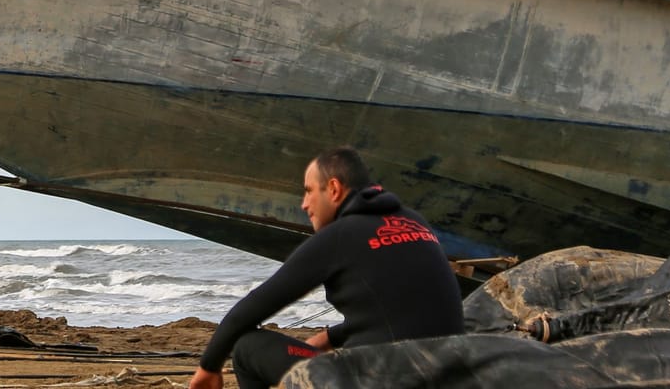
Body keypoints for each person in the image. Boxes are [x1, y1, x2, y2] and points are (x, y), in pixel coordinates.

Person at [189, 147, 464, 389]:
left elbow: (250, 310)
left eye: (309, 191)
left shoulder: (341, 235)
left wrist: (208, 368)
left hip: (380, 379)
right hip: (444, 375)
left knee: (246, 347)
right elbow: (404, 310)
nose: (304, 204)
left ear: (333, 189)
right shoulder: (415, 223)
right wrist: (331, 336)